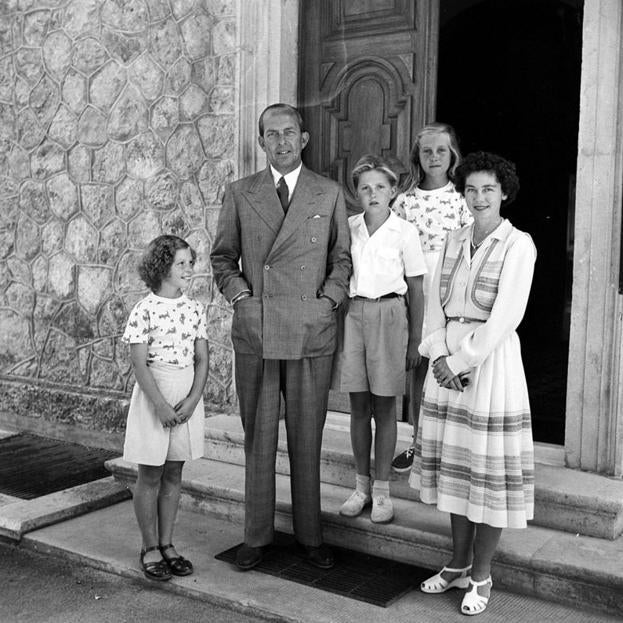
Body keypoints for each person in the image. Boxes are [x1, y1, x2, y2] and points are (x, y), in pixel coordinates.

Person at [210, 103, 351, 571]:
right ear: (261, 142)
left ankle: (311, 536)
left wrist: (328, 300)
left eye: (290, 133)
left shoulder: (328, 192)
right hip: (260, 327)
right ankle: (256, 535)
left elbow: (342, 260)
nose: (283, 142)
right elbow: (223, 258)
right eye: (273, 134)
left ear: (304, 139)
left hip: (310, 328)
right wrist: (243, 299)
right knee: (259, 438)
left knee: (307, 439)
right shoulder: (240, 192)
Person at [411, 152, 536, 616]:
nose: (479, 197)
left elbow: (507, 316)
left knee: (485, 475)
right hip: (446, 363)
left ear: (503, 193)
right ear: (461, 195)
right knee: (456, 472)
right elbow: (433, 306)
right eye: (470, 189)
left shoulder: (518, 244)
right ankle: (457, 565)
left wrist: (462, 360)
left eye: (488, 189)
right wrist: (438, 355)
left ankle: (482, 574)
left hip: (490, 367)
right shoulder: (451, 240)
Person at [336, 155, 426, 524]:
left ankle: (384, 492)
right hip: (355, 314)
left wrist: (414, 339)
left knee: (385, 408)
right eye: (365, 187)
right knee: (359, 406)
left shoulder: (404, 231)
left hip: (390, 315)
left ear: (393, 192)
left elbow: (417, 288)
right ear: (356, 193)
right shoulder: (349, 227)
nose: (372, 193)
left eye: (380, 187)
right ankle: (361, 487)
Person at [122, 235, 209, 582]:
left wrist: (192, 401)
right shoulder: (144, 310)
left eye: (191, 262)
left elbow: (202, 359)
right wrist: (159, 405)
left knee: (174, 473)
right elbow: (139, 364)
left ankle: (168, 543)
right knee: (151, 475)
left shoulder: (194, 309)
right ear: (162, 268)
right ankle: (149, 546)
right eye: (182, 264)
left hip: (185, 397)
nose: (190, 269)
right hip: (155, 398)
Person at [390, 123, 473, 474]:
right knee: (419, 369)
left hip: (451, 299)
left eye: (441, 150)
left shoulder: (461, 201)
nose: (434, 157)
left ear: (452, 155)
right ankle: (416, 442)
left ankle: (449, 451)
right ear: (418, 157)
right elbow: (392, 247)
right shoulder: (405, 201)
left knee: (451, 368)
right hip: (416, 297)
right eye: (427, 151)